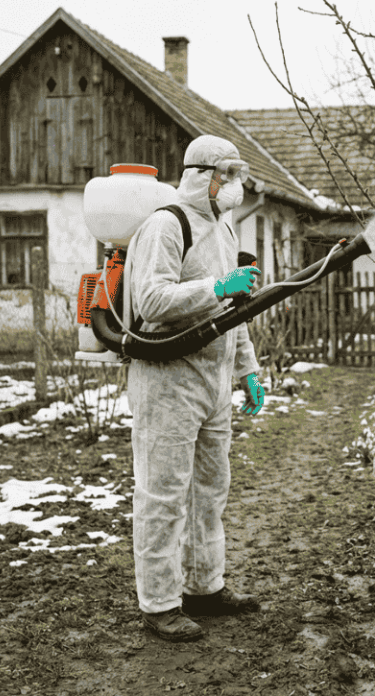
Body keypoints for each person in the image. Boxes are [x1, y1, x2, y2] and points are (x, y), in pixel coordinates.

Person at [126, 134, 266, 642]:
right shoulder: (167, 224)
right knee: (163, 494)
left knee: (210, 491)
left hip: (212, 382)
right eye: (227, 174)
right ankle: (160, 603)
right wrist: (217, 287)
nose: (235, 184)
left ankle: (205, 587)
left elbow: (236, 310)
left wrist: (247, 369)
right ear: (203, 174)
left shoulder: (224, 228)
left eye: (238, 174)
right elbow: (150, 301)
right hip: (167, 382)